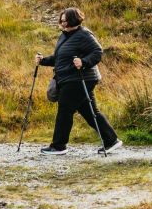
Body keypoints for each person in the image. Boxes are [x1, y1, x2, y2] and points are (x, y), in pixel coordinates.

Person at [36, 8, 122, 155]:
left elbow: (97, 52)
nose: (62, 23)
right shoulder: (64, 36)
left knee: (65, 110)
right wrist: (43, 61)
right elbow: (59, 59)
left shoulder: (84, 34)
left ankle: (58, 146)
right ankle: (111, 140)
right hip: (69, 79)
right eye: (61, 20)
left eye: (65, 20)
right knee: (90, 112)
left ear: (73, 20)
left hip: (79, 79)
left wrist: (83, 62)